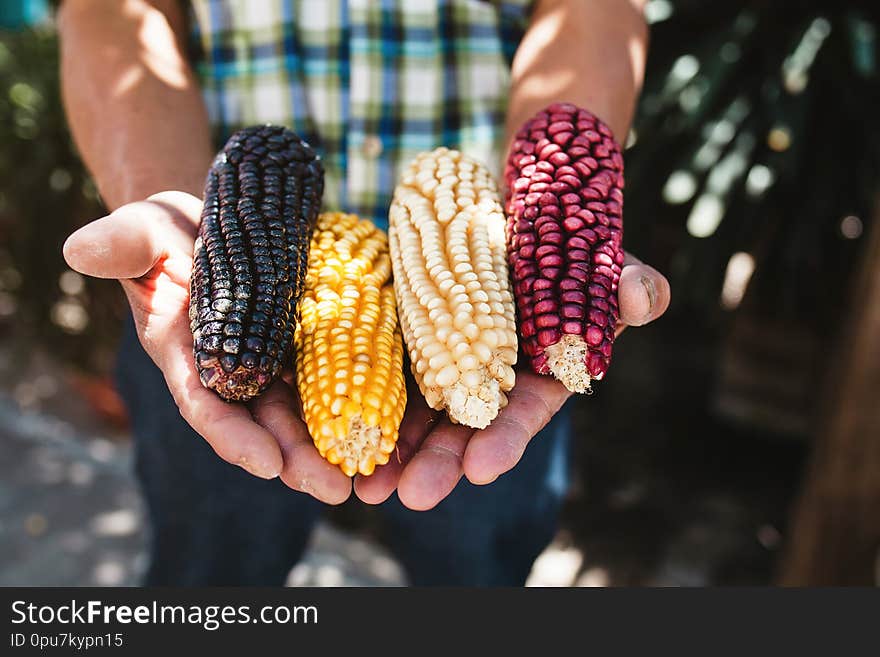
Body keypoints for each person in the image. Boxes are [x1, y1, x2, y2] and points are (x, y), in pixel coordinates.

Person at [58, 0, 670, 586]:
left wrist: (560, 218)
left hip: (505, 297)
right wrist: (170, 205)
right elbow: (114, 9)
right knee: (208, 570)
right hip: (213, 273)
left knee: (479, 574)